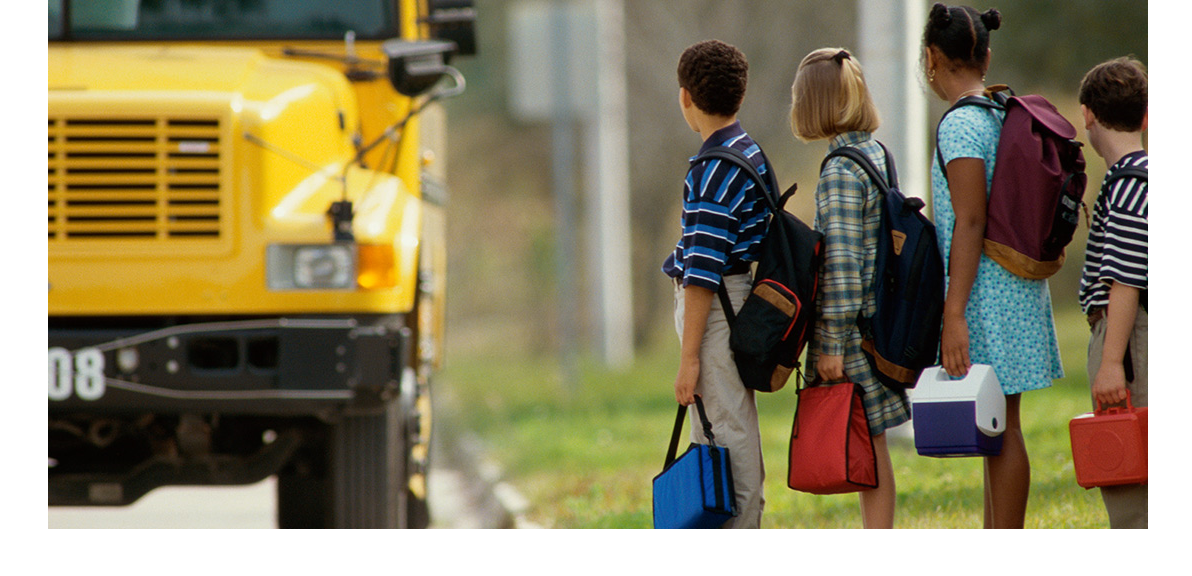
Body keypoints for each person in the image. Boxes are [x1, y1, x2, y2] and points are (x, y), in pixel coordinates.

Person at [922, 3, 1064, 528]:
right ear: (987, 54)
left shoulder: (960, 125)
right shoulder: (1001, 112)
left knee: (1000, 430)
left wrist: (953, 312)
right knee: (997, 425)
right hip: (1016, 283)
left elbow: (971, 221)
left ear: (933, 57)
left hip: (984, 291)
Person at [789, 47, 908, 529]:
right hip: (878, 322)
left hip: (853, 332)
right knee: (872, 444)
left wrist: (831, 344)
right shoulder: (875, 154)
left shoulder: (839, 169)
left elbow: (842, 265)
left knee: (869, 449)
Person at [662, 39, 774, 528]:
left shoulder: (713, 170)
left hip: (717, 312)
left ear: (686, 97)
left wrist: (689, 360)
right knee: (722, 427)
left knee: (725, 434)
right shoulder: (747, 150)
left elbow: (702, 273)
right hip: (736, 302)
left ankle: (739, 533)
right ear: (740, 96)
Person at [1077, 56, 1148, 529]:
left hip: (1130, 344)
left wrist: (1109, 365)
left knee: (1131, 486)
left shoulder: (1127, 185)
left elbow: (1125, 280)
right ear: (1145, 118)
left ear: (1087, 115)